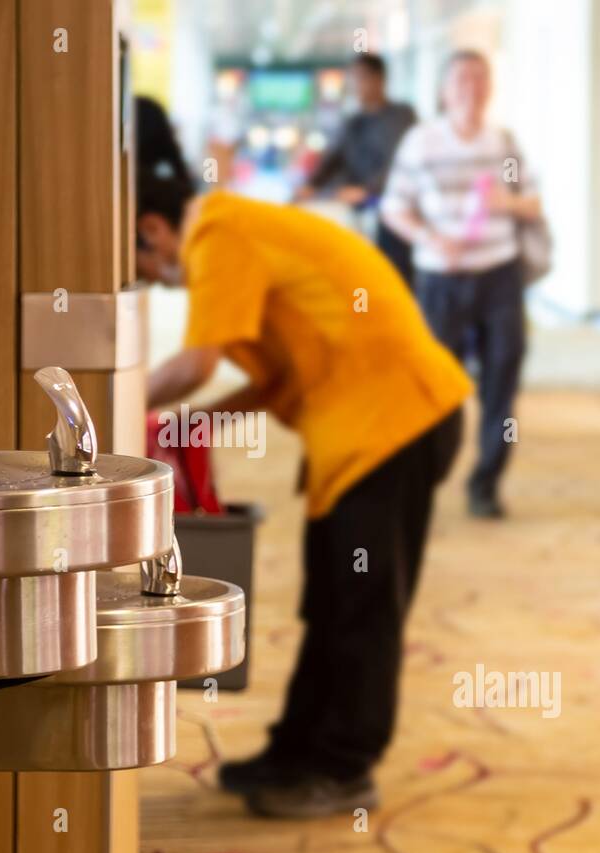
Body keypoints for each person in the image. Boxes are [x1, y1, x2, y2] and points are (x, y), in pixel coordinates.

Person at [138, 162, 472, 819]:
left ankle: (345, 770)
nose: (150, 279)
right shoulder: (238, 229)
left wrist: (109, 406)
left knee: (362, 607)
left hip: (395, 423)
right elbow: (270, 380)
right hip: (362, 430)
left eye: (138, 265)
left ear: (152, 228)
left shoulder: (217, 233)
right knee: (331, 598)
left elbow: (194, 364)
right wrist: (183, 427)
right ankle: (295, 752)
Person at [381, 50, 543, 519]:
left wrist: (505, 202)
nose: (470, 87)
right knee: (434, 384)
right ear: (444, 90)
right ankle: (424, 476)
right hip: (440, 279)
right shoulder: (422, 142)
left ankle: (486, 483)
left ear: (489, 87)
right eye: (460, 79)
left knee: (502, 380)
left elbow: (533, 203)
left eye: (479, 78)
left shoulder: (503, 143)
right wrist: (430, 236)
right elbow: (394, 208)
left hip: (499, 275)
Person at [296, 53, 417, 287]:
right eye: (352, 80)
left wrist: (367, 191)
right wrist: (310, 186)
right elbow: (332, 158)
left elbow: (400, 164)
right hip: (357, 209)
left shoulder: (402, 116)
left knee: (390, 275)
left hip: (392, 209)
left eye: (361, 79)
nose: (355, 86)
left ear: (379, 79)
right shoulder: (353, 121)